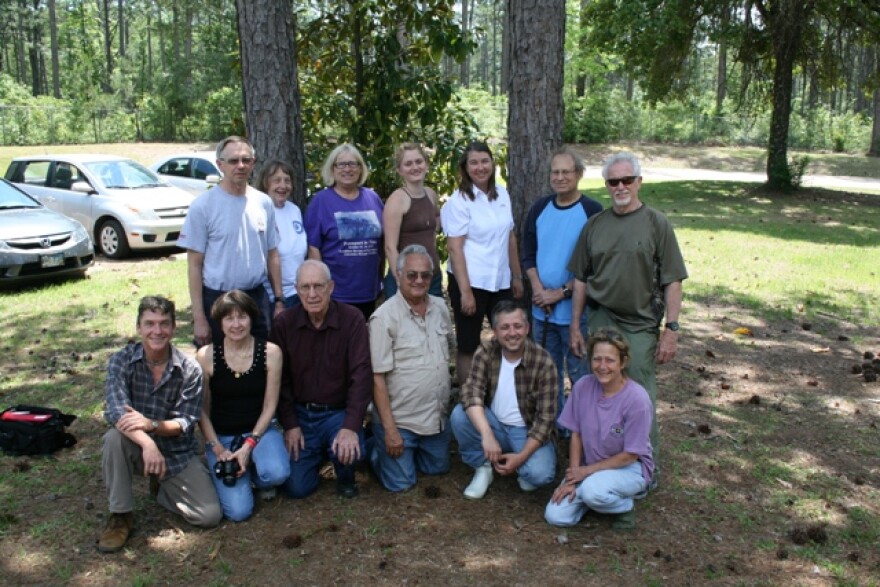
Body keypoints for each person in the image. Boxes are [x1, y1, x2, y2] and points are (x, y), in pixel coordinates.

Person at [568, 151, 688, 472]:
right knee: (600, 390)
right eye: (613, 181)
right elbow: (580, 279)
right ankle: (601, 463)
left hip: (640, 324)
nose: (620, 186)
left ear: (639, 183)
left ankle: (645, 468)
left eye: (627, 180)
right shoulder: (595, 226)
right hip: (601, 319)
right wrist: (575, 328)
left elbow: (673, 280)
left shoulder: (656, 224)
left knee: (638, 396)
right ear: (606, 185)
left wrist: (671, 330)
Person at [99, 296, 221, 553]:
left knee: (209, 515)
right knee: (113, 438)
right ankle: (120, 516)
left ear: (174, 328)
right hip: (135, 446)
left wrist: (151, 425)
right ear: (138, 328)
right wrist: (147, 443)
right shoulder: (120, 362)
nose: (157, 331)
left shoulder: (190, 369)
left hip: (176, 452)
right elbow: (116, 411)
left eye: (164, 324)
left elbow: (186, 422)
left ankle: (162, 488)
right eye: (150, 323)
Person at [270, 260, 372, 498]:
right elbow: (279, 381)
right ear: (296, 289)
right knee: (297, 488)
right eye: (305, 287)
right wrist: (290, 424)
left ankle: (346, 468)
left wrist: (350, 426)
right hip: (301, 415)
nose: (312, 294)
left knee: (352, 451)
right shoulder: (284, 324)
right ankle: (317, 454)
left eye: (318, 286)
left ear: (331, 287)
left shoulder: (352, 320)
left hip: (337, 413)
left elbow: (362, 375)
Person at [521, 146, 602, 430]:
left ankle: (584, 430)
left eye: (566, 172)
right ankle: (554, 430)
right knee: (548, 375)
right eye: (555, 172)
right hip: (541, 312)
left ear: (578, 174)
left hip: (575, 316)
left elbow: (595, 267)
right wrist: (537, 288)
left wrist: (561, 292)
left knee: (581, 376)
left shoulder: (592, 212)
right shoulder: (540, 208)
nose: (559, 177)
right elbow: (528, 251)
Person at [544, 329, 654, 530]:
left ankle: (624, 506)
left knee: (593, 491)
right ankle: (595, 499)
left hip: (629, 468)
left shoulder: (637, 399)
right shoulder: (582, 387)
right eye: (597, 359)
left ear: (623, 362)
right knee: (556, 515)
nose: (602, 366)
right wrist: (573, 476)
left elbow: (630, 455)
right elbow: (575, 433)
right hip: (590, 467)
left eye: (610, 360)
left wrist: (586, 472)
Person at [179, 136, 283, 346]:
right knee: (218, 367)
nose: (241, 166)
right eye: (233, 161)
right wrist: (199, 317)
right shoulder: (203, 206)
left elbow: (272, 254)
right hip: (217, 298)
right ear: (220, 165)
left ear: (253, 163)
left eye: (246, 160)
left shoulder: (263, 202)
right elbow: (194, 265)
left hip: (256, 297)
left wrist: (279, 301)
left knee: (260, 363)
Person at [197, 290, 290, 521]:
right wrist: (217, 448)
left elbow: (270, 405)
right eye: (229, 318)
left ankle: (253, 469)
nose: (236, 324)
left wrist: (249, 445)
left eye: (242, 317)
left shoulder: (271, 353)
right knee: (238, 512)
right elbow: (201, 410)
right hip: (222, 438)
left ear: (252, 318)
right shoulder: (206, 356)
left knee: (278, 474)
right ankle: (237, 474)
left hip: (259, 432)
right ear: (220, 323)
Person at [368, 244, 455, 492]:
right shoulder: (383, 318)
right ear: (398, 275)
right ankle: (376, 448)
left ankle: (406, 454)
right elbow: (377, 379)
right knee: (401, 484)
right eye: (412, 274)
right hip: (401, 422)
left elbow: (449, 350)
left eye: (425, 275)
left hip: (435, 420)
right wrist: (390, 431)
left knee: (437, 469)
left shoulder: (439, 307)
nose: (419, 280)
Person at [450, 300, 557, 499]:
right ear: (495, 331)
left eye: (517, 326)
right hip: (494, 424)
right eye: (505, 327)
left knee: (540, 475)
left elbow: (545, 421)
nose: (512, 333)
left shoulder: (544, 362)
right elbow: (471, 393)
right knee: (459, 415)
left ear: (527, 328)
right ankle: (483, 467)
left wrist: (521, 457)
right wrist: (487, 434)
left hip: (526, 430)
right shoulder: (486, 351)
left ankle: (519, 465)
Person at [440, 141, 524, 385]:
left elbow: (509, 237)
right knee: (468, 344)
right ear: (465, 168)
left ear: (492, 163)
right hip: (471, 282)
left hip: (500, 280)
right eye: (473, 163)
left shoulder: (502, 194)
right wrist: (466, 293)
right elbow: (455, 248)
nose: (480, 167)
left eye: (484, 161)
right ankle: (468, 399)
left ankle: (504, 391)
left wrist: (516, 276)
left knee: (509, 337)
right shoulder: (459, 202)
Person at [305, 144, 384, 321]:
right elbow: (313, 248)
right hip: (336, 293)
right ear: (332, 169)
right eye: (341, 164)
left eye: (353, 164)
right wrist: (321, 287)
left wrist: (380, 281)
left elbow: (381, 244)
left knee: (364, 344)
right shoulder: (321, 201)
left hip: (368, 291)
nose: (347, 169)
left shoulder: (373, 199)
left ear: (361, 168)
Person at [382, 143, 443, 298]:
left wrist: (432, 233)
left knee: (434, 322)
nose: (415, 167)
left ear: (426, 164)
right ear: (399, 170)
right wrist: (401, 281)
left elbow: (437, 215)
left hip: (432, 277)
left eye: (418, 161)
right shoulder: (397, 200)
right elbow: (390, 247)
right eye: (408, 164)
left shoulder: (430, 194)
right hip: (408, 281)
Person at [258, 160, 308, 309]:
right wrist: (278, 298)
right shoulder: (260, 211)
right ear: (266, 183)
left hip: (299, 291)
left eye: (287, 180)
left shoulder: (294, 210)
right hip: (276, 297)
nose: (283, 186)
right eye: (277, 180)